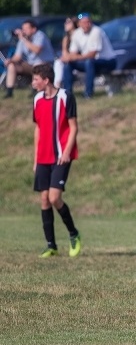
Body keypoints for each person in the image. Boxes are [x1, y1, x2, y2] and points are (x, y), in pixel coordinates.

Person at [31, 63, 82, 258]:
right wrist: (36, 157)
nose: (33, 83)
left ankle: (74, 234)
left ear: (46, 80)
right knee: (44, 199)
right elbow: (38, 129)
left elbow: (73, 127)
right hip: (43, 156)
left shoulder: (65, 97)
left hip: (61, 155)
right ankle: (51, 245)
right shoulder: (36, 100)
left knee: (54, 198)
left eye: (36, 79)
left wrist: (67, 151)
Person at [60, 13, 117, 98]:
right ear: (79, 24)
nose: (87, 24)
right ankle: (67, 93)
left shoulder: (96, 31)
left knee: (89, 62)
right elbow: (73, 52)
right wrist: (69, 57)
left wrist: (74, 57)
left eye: (88, 22)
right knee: (68, 64)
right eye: (84, 22)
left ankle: (88, 93)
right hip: (89, 62)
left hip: (107, 61)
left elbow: (92, 54)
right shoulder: (77, 33)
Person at [4, 19, 55, 99]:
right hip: (30, 64)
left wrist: (23, 39)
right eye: (22, 29)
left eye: (26, 29)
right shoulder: (23, 39)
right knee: (11, 65)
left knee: (37, 65)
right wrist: (10, 60)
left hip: (45, 65)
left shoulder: (40, 36)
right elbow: (18, 56)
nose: (23, 31)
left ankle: (35, 91)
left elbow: (37, 50)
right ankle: (9, 91)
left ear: (33, 29)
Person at [56, 16, 79, 89]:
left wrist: (67, 57)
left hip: (78, 60)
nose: (65, 24)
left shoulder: (79, 35)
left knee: (60, 64)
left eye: (68, 22)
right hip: (68, 59)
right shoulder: (66, 38)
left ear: (74, 24)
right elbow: (64, 53)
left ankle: (57, 86)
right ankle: (57, 84)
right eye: (65, 22)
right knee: (58, 63)